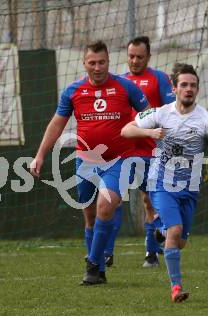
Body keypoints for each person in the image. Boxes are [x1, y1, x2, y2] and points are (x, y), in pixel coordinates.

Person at [30, 40, 149, 285]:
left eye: (102, 62)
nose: (97, 67)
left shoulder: (126, 87)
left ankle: (93, 266)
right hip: (85, 162)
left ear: (109, 61)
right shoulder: (73, 91)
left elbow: (151, 115)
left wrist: (153, 134)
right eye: (92, 62)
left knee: (105, 206)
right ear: (84, 63)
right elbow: (56, 124)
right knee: (90, 217)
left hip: (120, 160)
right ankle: (99, 267)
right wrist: (40, 155)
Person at [121, 63, 208, 302]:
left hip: (189, 189)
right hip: (161, 182)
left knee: (180, 242)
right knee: (174, 231)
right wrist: (149, 133)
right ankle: (176, 288)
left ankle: (158, 228)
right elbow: (126, 130)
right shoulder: (160, 113)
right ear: (174, 88)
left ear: (198, 90)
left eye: (193, 85)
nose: (188, 89)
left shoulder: (207, 121)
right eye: (183, 85)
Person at [104, 36, 175, 268]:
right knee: (112, 200)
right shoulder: (120, 81)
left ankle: (151, 254)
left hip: (152, 151)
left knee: (150, 201)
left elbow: (170, 112)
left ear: (149, 57)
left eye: (139, 57)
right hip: (124, 152)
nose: (134, 61)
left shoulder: (159, 79)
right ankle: (106, 252)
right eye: (131, 56)